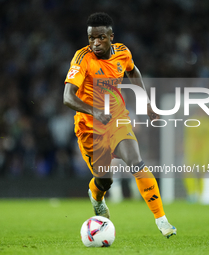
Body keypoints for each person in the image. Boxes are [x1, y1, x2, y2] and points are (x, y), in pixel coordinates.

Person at [63, 12, 176, 238]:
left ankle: (162, 220)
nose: (95, 43)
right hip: (89, 129)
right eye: (91, 38)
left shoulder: (123, 52)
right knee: (104, 180)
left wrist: (145, 103)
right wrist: (94, 111)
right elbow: (67, 96)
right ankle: (96, 196)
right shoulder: (81, 58)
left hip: (116, 119)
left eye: (101, 37)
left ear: (111, 37)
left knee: (136, 161)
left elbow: (133, 71)